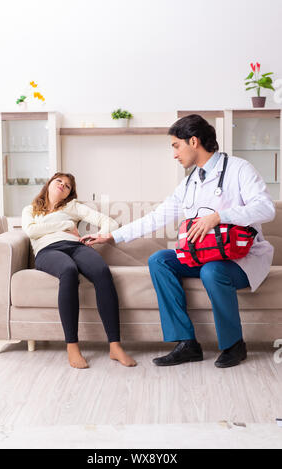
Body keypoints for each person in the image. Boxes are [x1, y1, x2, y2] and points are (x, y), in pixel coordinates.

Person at [81, 114, 276, 369]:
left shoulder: (239, 169)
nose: (174, 154)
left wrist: (218, 217)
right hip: (205, 253)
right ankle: (187, 343)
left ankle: (234, 345)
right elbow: (157, 217)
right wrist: (113, 235)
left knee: (212, 270)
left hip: (241, 258)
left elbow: (266, 209)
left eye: (176, 145)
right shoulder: (189, 183)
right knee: (160, 260)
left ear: (193, 141)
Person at [22, 172, 136, 369]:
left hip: (76, 246)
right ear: (49, 184)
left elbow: (110, 222)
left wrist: (97, 236)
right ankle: (72, 347)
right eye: (59, 181)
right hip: (47, 250)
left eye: (67, 186)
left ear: (68, 194)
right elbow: (31, 231)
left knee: (102, 271)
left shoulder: (72, 207)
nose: (62, 185)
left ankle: (115, 346)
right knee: (68, 271)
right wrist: (66, 224)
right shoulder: (30, 210)